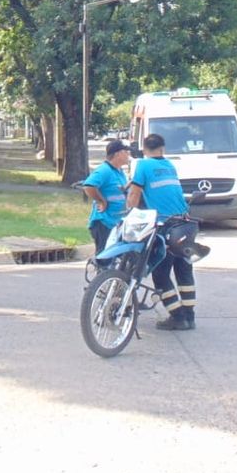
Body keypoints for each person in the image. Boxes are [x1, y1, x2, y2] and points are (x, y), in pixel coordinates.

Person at [127, 132, 197, 331]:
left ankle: (177, 316)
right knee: (184, 270)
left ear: (144, 149)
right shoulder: (169, 166)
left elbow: (134, 193)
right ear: (162, 149)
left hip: (165, 226)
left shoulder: (143, 165)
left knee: (160, 272)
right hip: (185, 222)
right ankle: (190, 316)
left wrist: (130, 213)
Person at [80, 139, 132, 255]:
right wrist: (101, 201)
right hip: (104, 223)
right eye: (126, 152)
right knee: (105, 259)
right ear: (117, 154)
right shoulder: (105, 170)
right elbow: (89, 186)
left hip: (116, 223)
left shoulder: (119, 172)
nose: (128, 155)